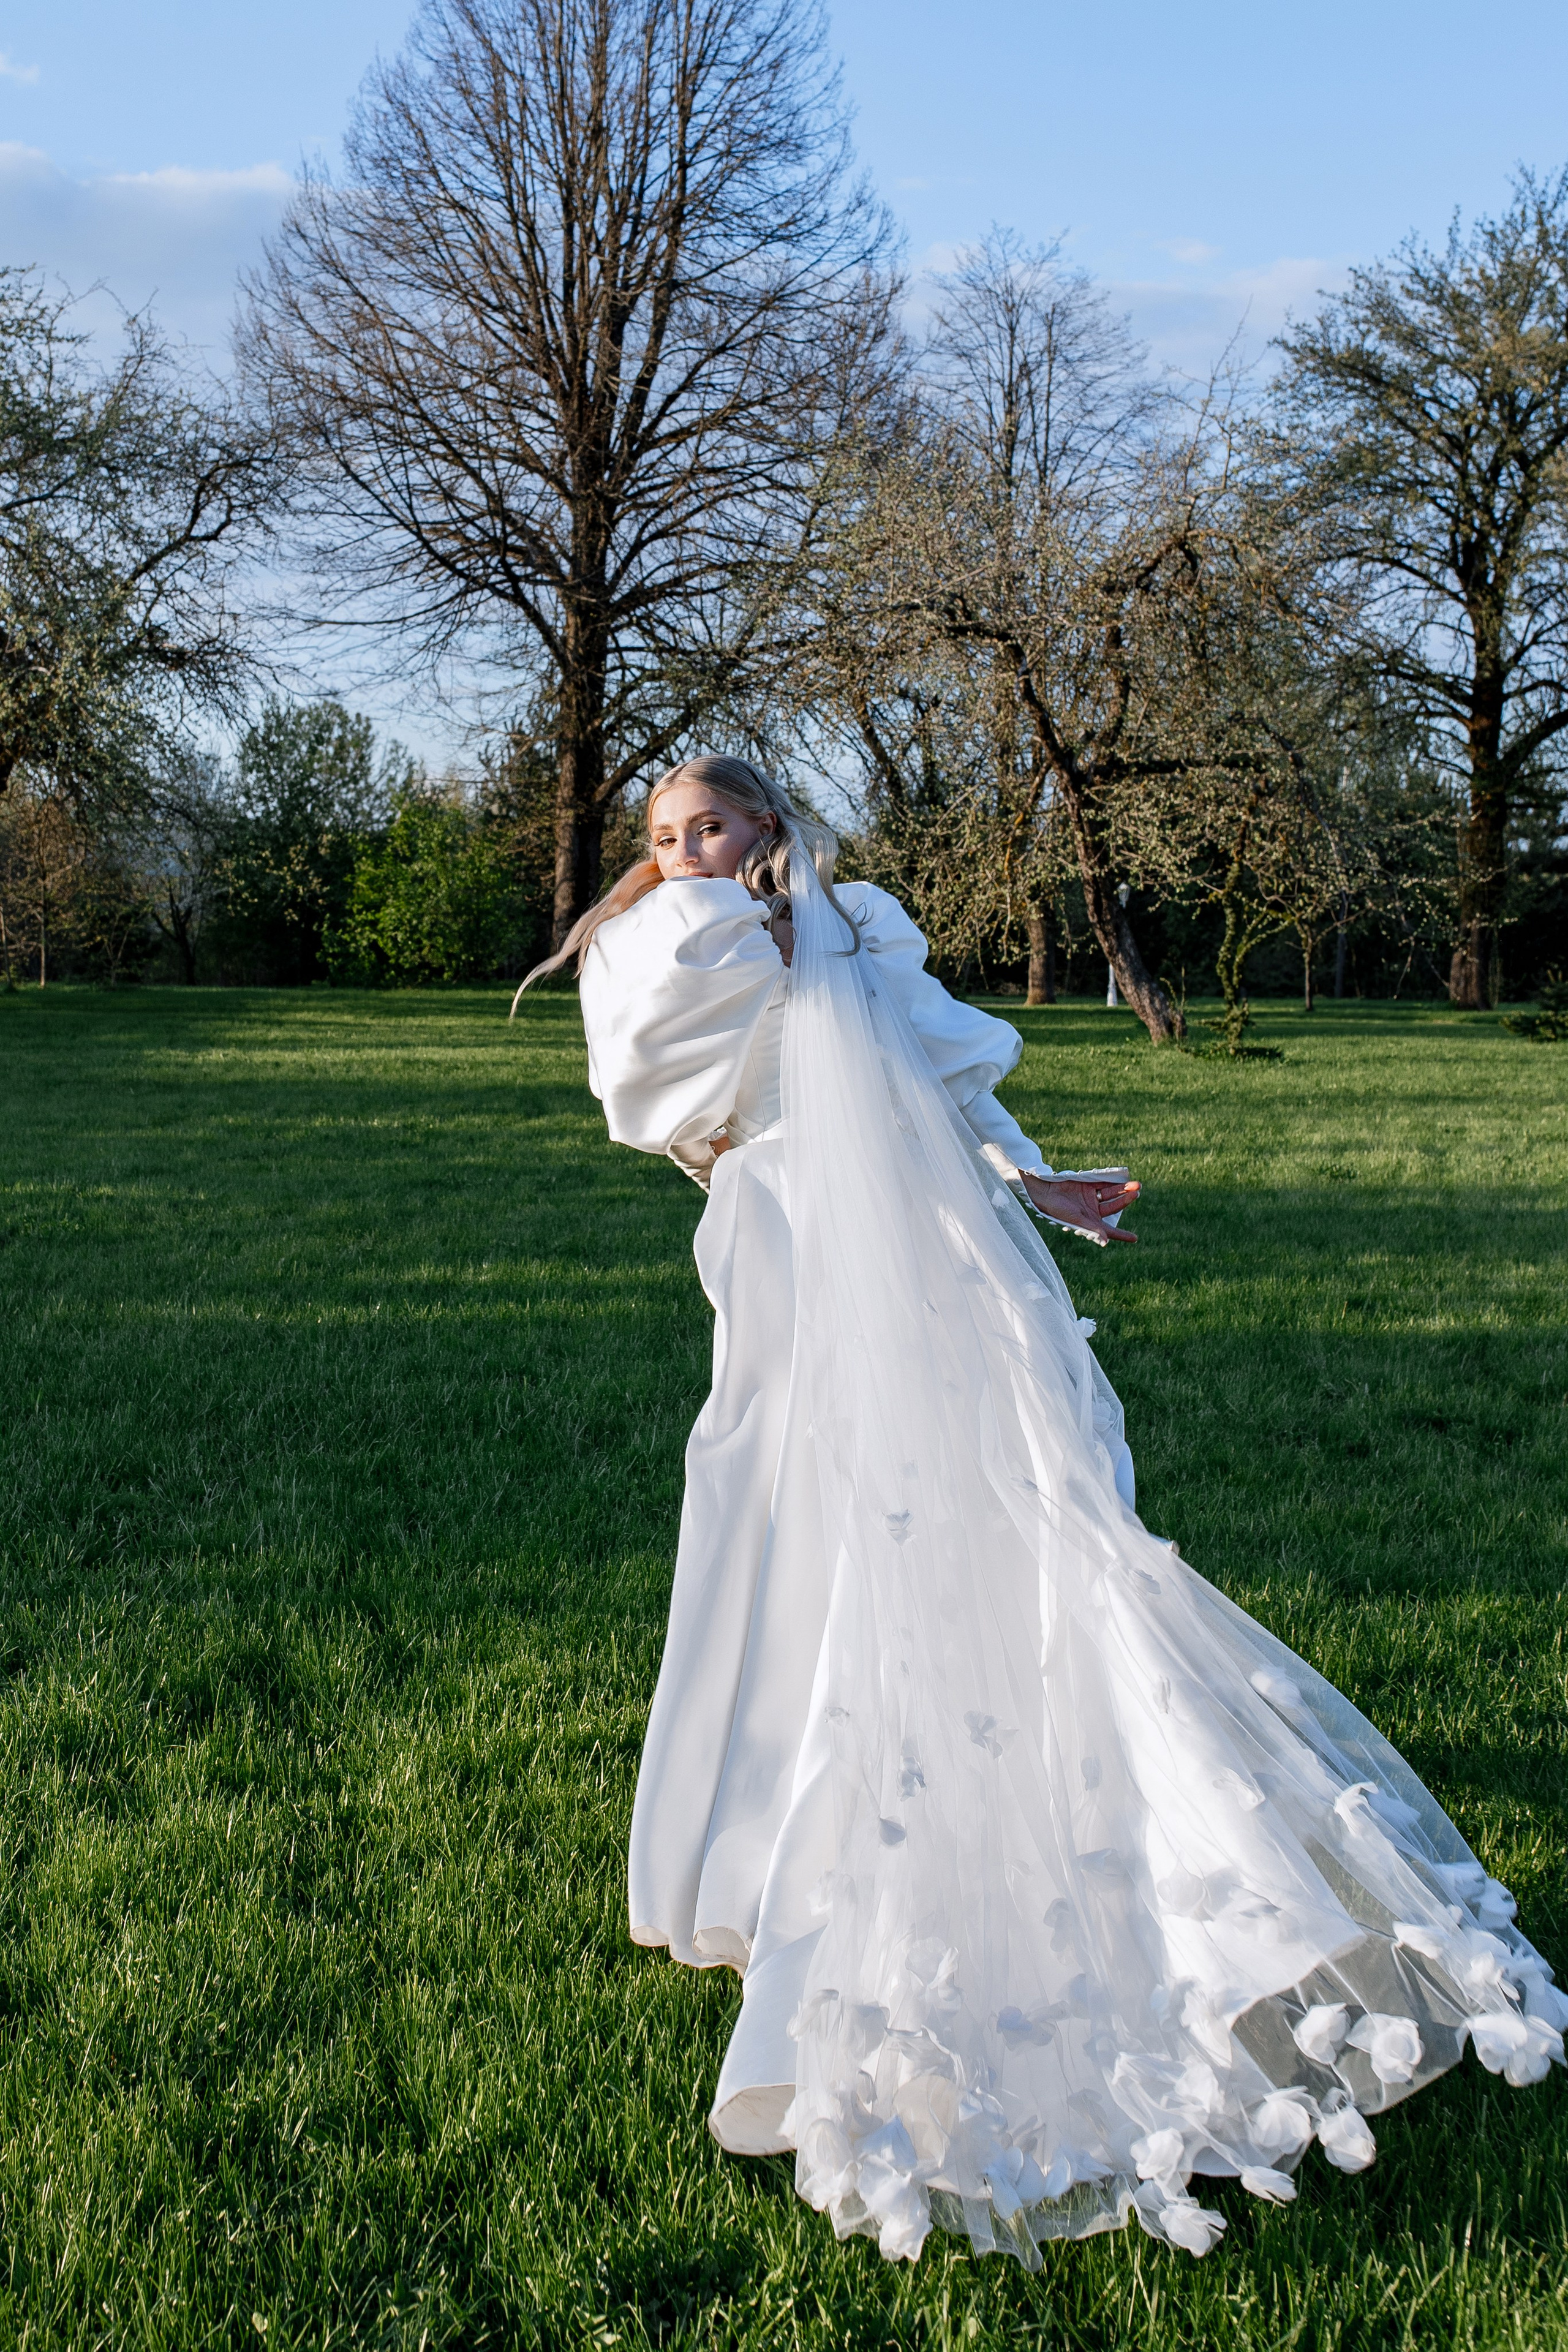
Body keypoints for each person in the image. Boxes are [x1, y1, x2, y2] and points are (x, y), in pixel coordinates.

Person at [519, 755, 1566, 2269]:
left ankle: (1025, 1771)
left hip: (923, 1245)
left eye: (714, 827)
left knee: (973, 1512)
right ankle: (747, 1843)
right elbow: (653, 1091)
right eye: (664, 833)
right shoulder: (661, 943)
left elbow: (938, 1079)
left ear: (772, 829)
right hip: (784, 1243)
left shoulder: (854, 931)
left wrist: (1029, 1175)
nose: (684, 849)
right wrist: (755, 954)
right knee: (780, 1521)